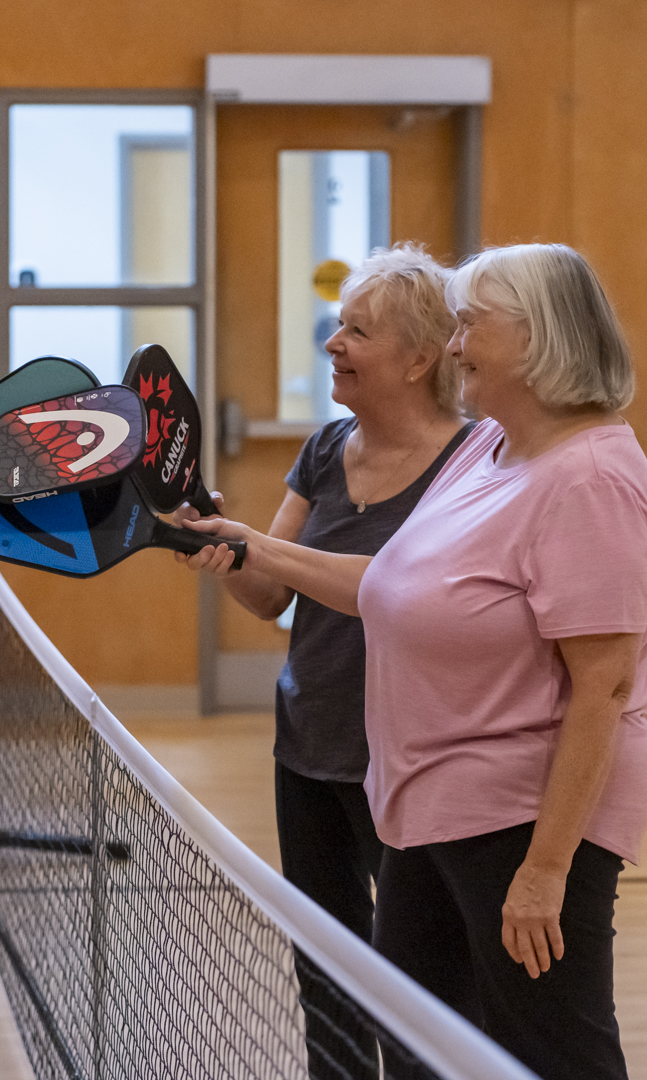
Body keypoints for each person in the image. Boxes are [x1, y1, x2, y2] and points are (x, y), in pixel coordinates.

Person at [182, 243, 647, 1080]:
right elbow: (392, 585)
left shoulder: (590, 480)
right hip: (425, 809)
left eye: (473, 325)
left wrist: (546, 870)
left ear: (539, 338)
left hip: (520, 820)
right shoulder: (489, 450)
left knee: (555, 1054)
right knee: (419, 1048)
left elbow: (606, 687)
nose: (455, 345)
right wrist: (251, 546)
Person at [178, 243, 471, 1076]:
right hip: (307, 744)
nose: (333, 343)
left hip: (410, 758)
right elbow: (270, 593)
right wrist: (214, 547)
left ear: (420, 358)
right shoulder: (325, 447)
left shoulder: (474, 465)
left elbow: (408, 594)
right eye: (338, 325)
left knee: (420, 982)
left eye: (357, 331)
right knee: (326, 970)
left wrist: (254, 549)